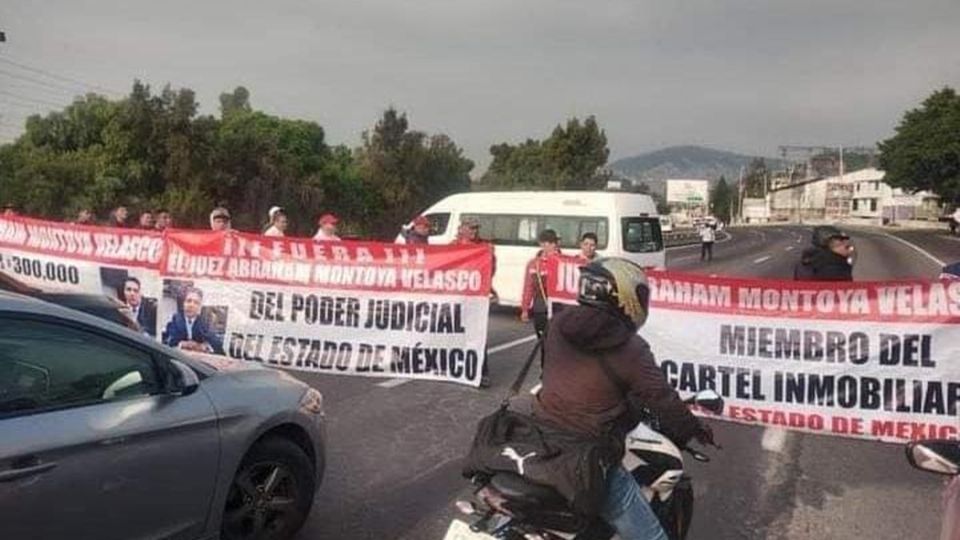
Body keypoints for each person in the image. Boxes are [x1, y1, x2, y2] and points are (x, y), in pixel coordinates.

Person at [533, 257, 713, 540]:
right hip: (584, 452)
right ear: (623, 296)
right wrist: (694, 428)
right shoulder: (630, 347)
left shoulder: (558, 323)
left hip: (539, 435)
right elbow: (661, 398)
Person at [450, 217, 496, 387]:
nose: (473, 231)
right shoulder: (451, 247)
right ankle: (455, 368)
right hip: (456, 297)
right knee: (455, 335)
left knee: (477, 335)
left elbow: (491, 271)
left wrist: (490, 256)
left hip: (476, 298)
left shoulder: (483, 247)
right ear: (461, 228)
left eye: (475, 228)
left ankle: (481, 372)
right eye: (470, 228)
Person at [520, 229, 562, 347]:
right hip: (541, 308)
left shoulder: (564, 262)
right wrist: (525, 308)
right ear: (542, 244)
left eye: (554, 243)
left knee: (559, 345)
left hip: (560, 310)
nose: (553, 246)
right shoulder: (534, 264)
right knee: (544, 343)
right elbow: (528, 287)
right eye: (549, 243)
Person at [163, 287, 224, 354]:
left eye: (196, 303)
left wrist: (204, 347)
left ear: (199, 307)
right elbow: (168, 342)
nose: (191, 305)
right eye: (189, 301)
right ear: (183, 304)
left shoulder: (204, 322)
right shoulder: (175, 320)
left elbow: (217, 345)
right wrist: (182, 344)